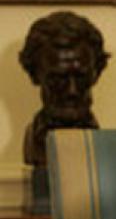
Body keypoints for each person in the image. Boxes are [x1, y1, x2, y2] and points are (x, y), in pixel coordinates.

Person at [18, 11, 109, 168]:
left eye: (81, 77)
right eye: (58, 79)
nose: (72, 91)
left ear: (97, 73)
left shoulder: (103, 147)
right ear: (34, 75)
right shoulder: (34, 141)